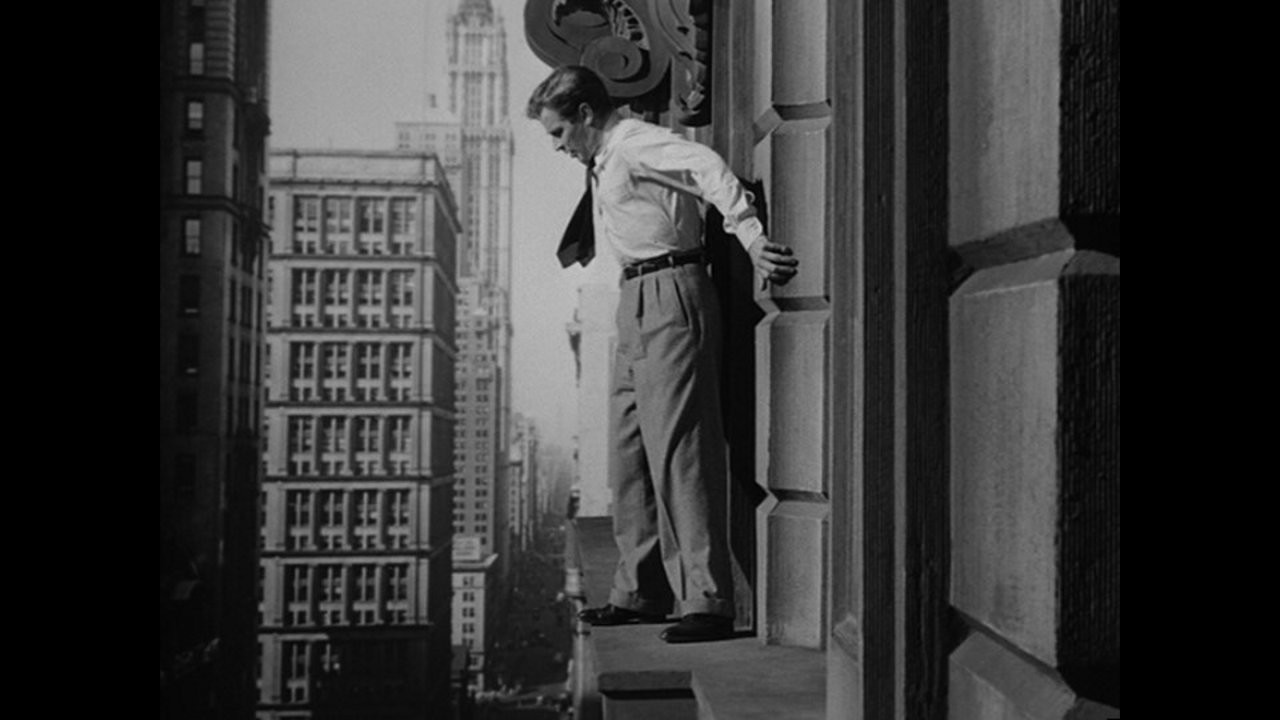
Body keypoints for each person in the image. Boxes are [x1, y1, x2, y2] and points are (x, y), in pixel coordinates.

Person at [527, 66, 798, 643]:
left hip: (671, 291)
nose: (556, 146)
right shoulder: (605, 158)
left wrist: (751, 238)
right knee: (628, 453)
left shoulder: (633, 143)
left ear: (585, 114)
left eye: (558, 132)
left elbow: (707, 167)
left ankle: (708, 599)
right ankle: (641, 592)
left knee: (681, 450)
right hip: (635, 297)